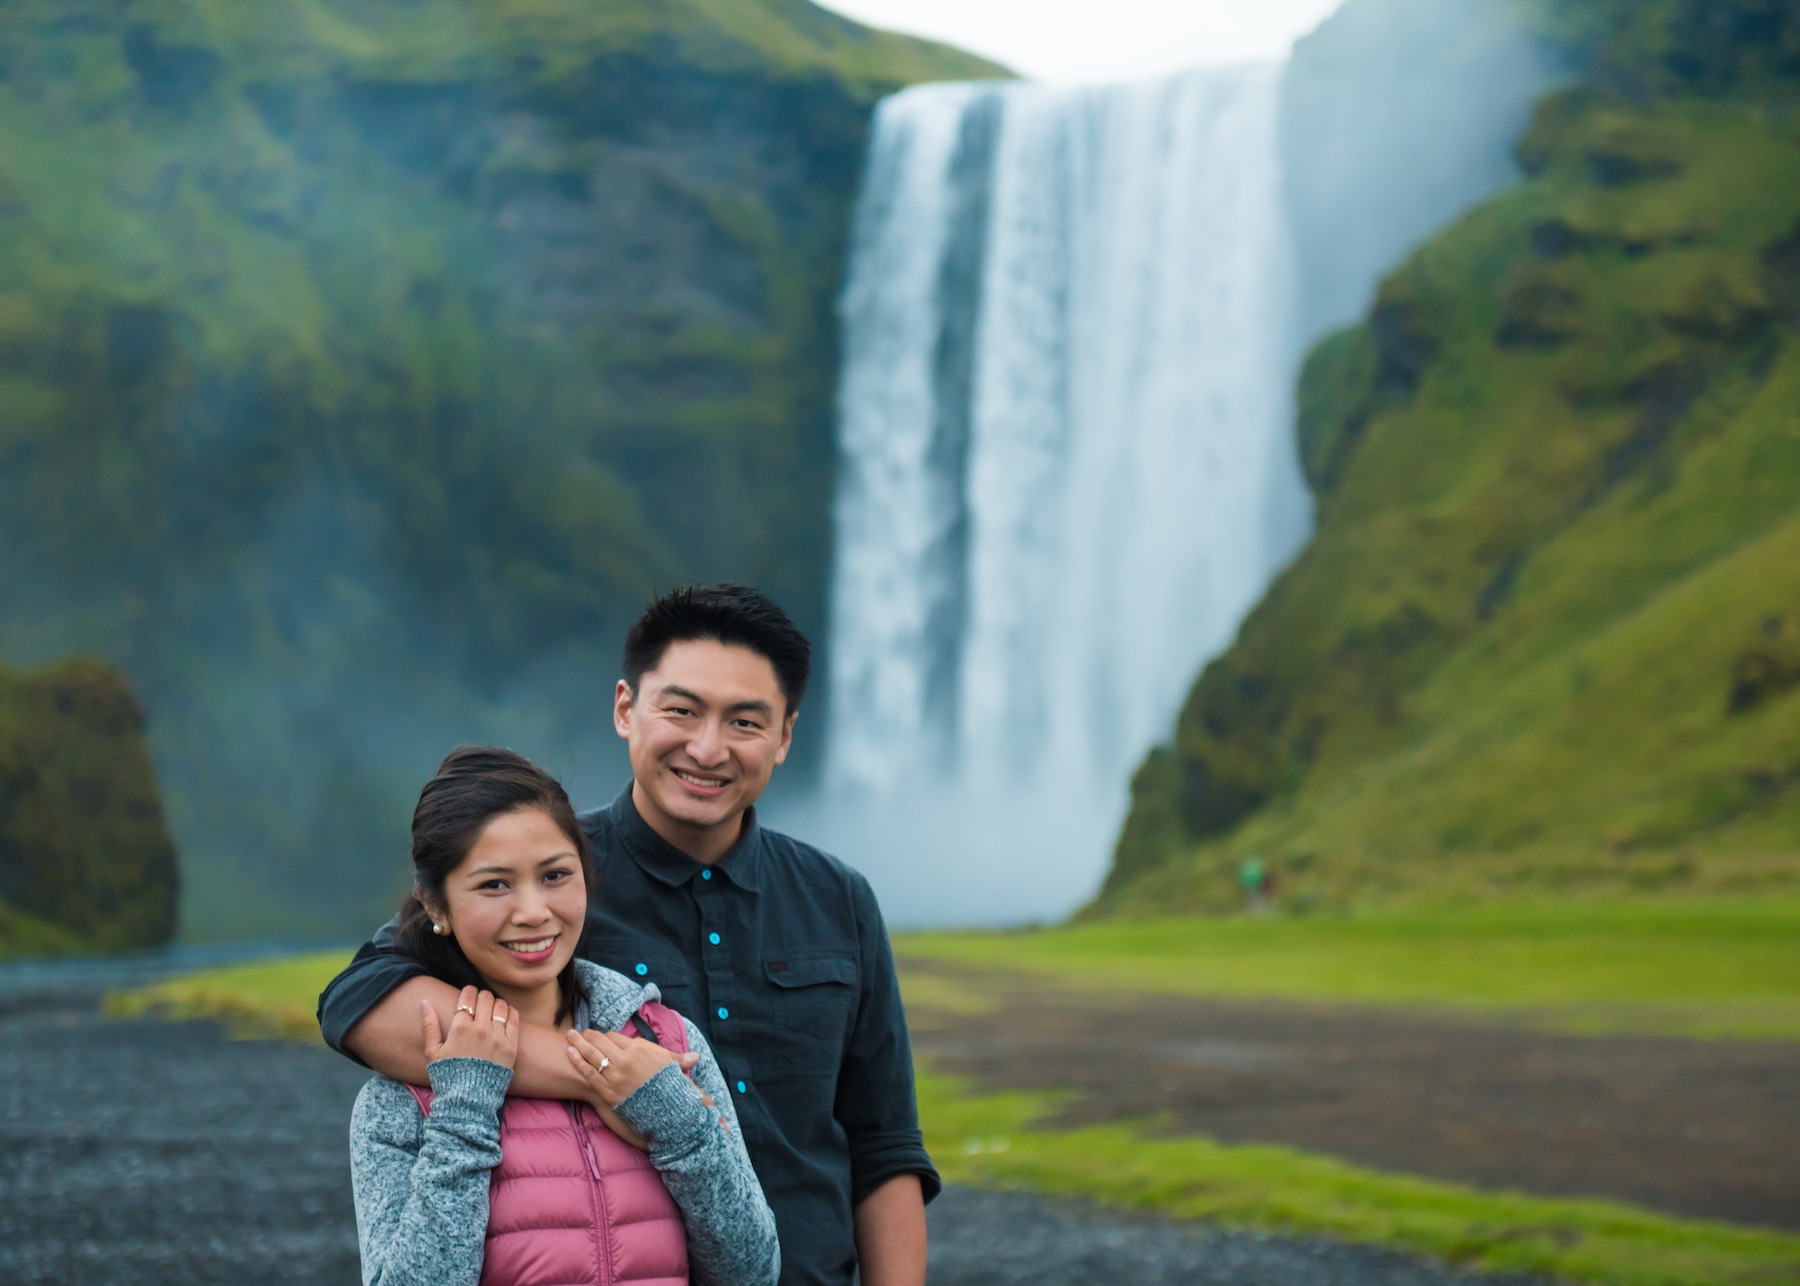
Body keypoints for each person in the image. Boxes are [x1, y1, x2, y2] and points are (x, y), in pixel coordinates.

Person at [321, 585, 937, 1286]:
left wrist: (643, 1089)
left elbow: (884, 1145)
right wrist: (616, 1080)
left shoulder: (839, 899)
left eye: (745, 722)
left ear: (785, 737)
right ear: (625, 709)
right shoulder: (545, 879)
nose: (707, 748)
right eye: (681, 710)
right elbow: (359, 1002)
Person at [348, 745, 778, 1286]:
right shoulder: (404, 1096)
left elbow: (753, 1273)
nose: (533, 912)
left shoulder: (666, 1040)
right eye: (494, 884)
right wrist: (464, 1110)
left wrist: (679, 1124)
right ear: (436, 907)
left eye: (555, 876)